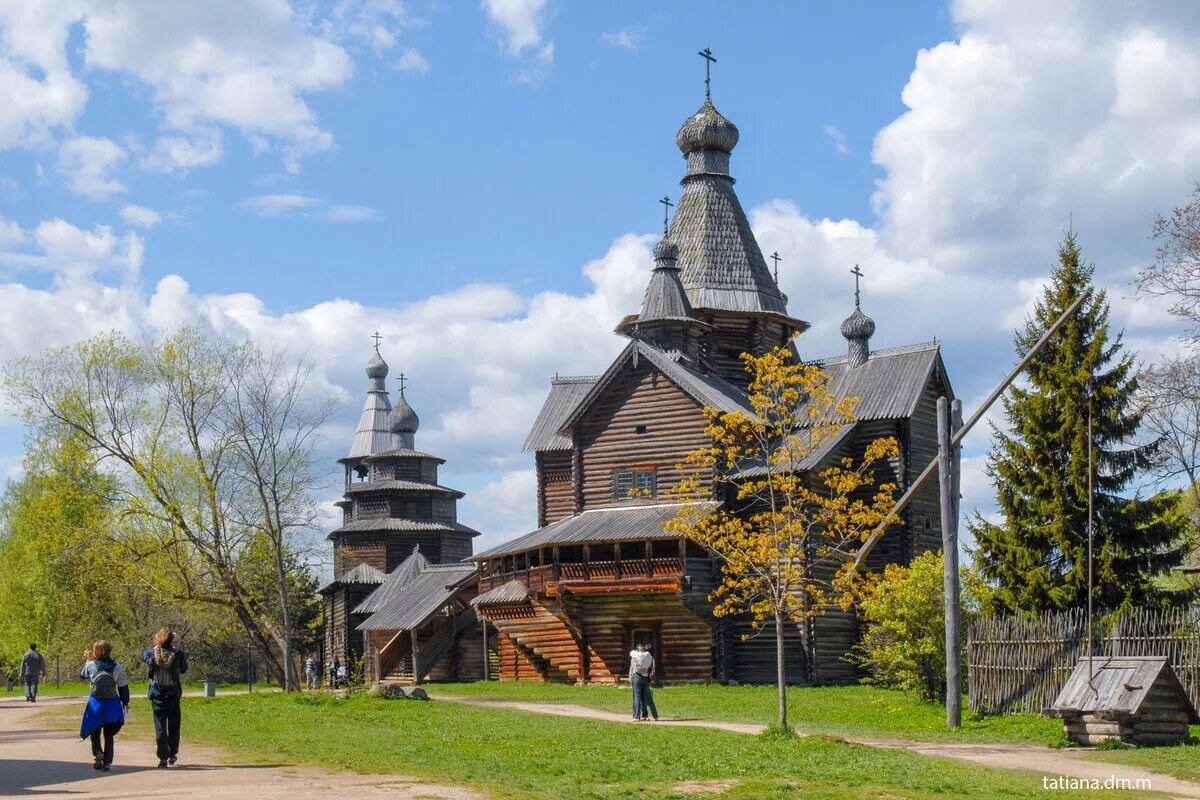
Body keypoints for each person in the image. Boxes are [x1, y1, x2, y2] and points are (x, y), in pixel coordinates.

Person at [79, 640, 130, 771]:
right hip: (111, 704)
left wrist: (87, 659)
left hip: (95, 703)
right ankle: (107, 762)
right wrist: (125, 702)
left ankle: (97, 753)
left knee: (94, 731)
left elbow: (82, 675)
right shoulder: (117, 667)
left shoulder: (91, 665)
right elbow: (123, 686)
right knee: (109, 734)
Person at [142, 628, 188, 768]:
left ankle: (163, 756)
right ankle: (172, 753)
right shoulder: (178, 654)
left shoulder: (152, 653)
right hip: (173, 694)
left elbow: (143, 656)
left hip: (157, 693)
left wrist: (152, 654)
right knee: (174, 724)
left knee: (160, 725)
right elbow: (184, 669)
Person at [628, 643, 653, 721]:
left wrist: (631, 677)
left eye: (642, 648)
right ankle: (645, 715)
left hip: (637, 677)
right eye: (641, 648)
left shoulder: (635, 656)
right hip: (645, 678)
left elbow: (635, 668)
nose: (641, 650)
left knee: (637, 697)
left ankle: (636, 716)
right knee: (643, 697)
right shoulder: (649, 656)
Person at [642, 645, 659, 722]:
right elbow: (653, 670)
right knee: (649, 698)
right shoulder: (652, 658)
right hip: (648, 680)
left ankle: (645, 715)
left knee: (643, 698)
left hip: (644, 679)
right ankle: (655, 716)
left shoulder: (643, 657)